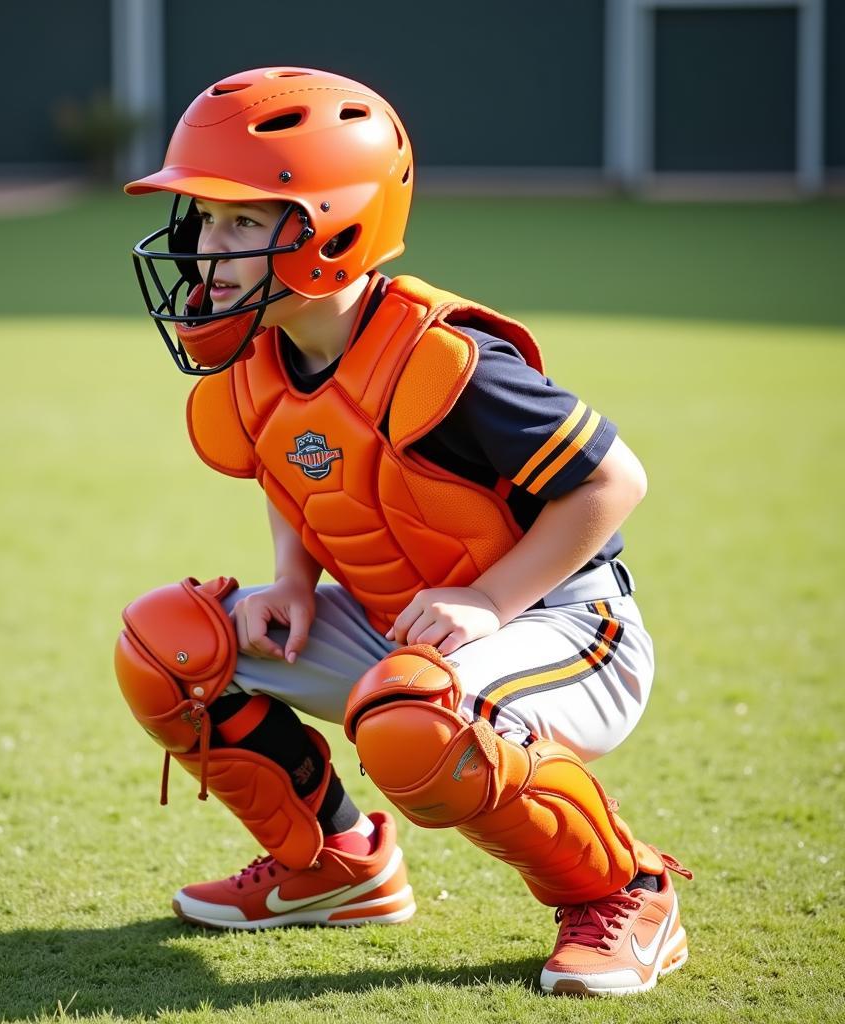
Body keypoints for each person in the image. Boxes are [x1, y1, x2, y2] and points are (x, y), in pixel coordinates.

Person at [113, 66, 692, 997]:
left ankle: (628, 890)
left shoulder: (443, 359)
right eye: (203, 219)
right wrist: (291, 582)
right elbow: (294, 456)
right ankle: (338, 866)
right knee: (171, 645)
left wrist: (489, 600)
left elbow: (614, 482)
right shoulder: (263, 355)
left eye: (240, 222)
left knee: (413, 720)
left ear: (331, 228)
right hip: (409, 636)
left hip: (573, 629)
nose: (206, 249)